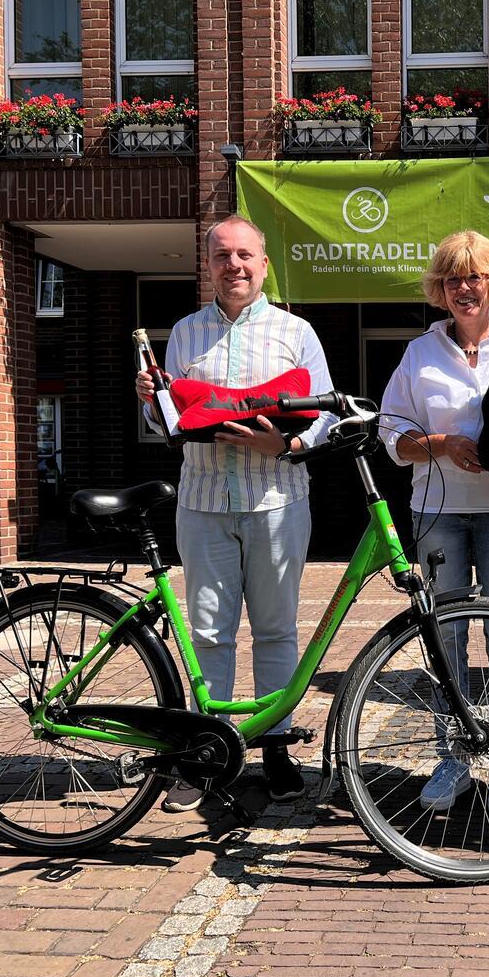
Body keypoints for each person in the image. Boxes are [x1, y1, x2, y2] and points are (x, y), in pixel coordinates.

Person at [135, 214, 337, 813]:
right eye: (222, 255)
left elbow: (323, 414)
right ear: (209, 264)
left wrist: (289, 445)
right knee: (208, 635)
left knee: (276, 631)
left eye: (245, 255)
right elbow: (170, 425)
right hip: (202, 503)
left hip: (276, 500)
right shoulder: (183, 333)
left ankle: (275, 746)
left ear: (264, 263)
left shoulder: (295, 331)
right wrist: (151, 404)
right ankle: (206, 756)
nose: (234, 266)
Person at [379, 230, 489, 815]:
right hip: (436, 510)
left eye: (475, 277)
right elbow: (392, 435)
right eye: (452, 278)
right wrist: (438, 442)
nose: (465, 288)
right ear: (439, 290)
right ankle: (452, 757)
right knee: (445, 636)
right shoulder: (419, 353)